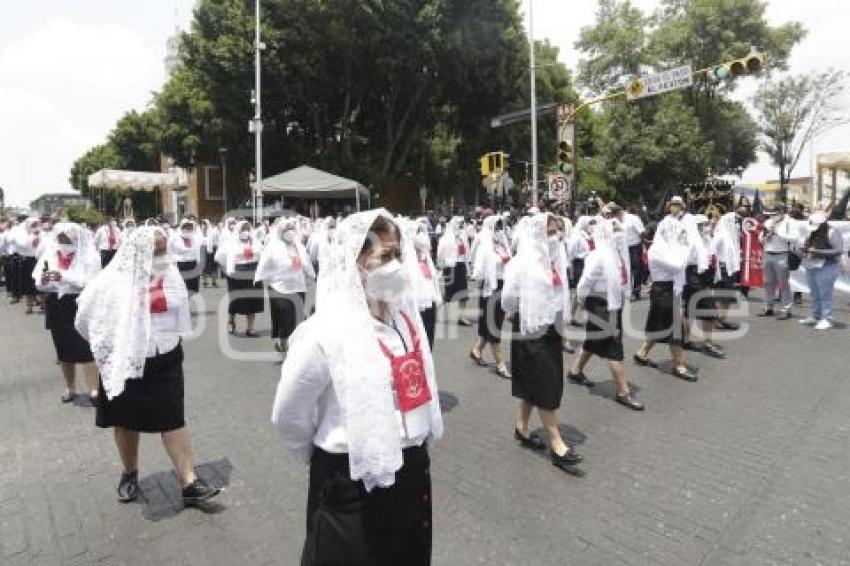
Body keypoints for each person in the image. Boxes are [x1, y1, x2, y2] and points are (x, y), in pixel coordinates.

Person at [271, 209, 443, 565]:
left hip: (410, 472)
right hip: (350, 483)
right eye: (384, 257)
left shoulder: (405, 319)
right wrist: (326, 457)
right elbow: (288, 416)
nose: (395, 266)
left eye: (398, 255)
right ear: (355, 263)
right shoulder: (324, 332)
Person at [75, 227, 221, 505]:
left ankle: (188, 480)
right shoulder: (111, 281)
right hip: (125, 363)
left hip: (165, 360)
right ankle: (129, 474)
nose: (163, 254)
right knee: (126, 422)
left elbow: (180, 312)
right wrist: (107, 347)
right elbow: (84, 320)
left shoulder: (171, 273)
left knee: (173, 419)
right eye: (157, 250)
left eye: (164, 249)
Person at [502, 213, 584, 475]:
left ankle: (521, 427)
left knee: (537, 383)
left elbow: (562, 295)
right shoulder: (520, 263)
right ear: (536, 233)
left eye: (557, 231)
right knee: (546, 383)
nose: (555, 236)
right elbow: (507, 302)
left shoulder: (556, 260)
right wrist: (528, 308)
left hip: (552, 330)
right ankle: (557, 443)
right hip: (530, 330)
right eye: (550, 231)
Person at [568, 218, 644, 410]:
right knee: (613, 347)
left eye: (620, 230)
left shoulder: (616, 254)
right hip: (600, 304)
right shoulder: (598, 255)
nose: (620, 234)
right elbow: (584, 283)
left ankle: (575, 370)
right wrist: (583, 302)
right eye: (615, 230)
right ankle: (623, 392)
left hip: (612, 303)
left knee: (593, 342)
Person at [34, 222, 102, 403]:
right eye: (61, 239)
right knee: (63, 349)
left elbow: (90, 282)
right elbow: (39, 284)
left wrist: (63, 275)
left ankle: (94, 389)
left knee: (87, 347)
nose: (64, 242)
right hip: (57, 303)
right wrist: (44, 279)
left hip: (81, 303)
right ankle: (70, 387)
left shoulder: (89, 256)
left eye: (68, 239)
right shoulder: (50, 254)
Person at [634, 212, 698, 382]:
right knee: (674, 329)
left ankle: (642, 353)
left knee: (659, 326)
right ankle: (679, 365)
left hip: (667, 289)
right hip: (662, 290)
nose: (679, 236)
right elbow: (677, 266)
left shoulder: (666, 248)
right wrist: (684, 246)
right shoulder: (657, 249)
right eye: (676, 233)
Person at [255, 218, 315, 352]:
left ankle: (290, 345)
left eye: (291, 229)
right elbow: (263, 263)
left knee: (297, 316)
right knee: (285, 315)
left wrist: (312, 275)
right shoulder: (272, 247)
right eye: (287, 229)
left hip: (298, 286)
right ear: (281, 232)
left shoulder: (299, 246)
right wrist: (259, 277)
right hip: (279, 288)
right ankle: (284, 340)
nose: (290, 232)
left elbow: (306, 263)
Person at [469, 215, 511, 378]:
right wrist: (481, 284)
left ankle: (477, 350)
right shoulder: (485, 247)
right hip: (490, 289)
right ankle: (500, 364)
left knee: (492, 323)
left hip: (503, 286)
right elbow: (478, 270)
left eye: (501, 227)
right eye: (496, 227)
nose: (499, 230)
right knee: (494, 325)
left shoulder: (502, 244)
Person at [216, 220, 264, 336]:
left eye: (247, 229)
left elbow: (262, 254)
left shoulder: (255, 241)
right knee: (236, 300)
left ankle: (250, 328)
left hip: (253, 271)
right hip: (236, 274)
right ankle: (231, 320)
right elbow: (219, 257)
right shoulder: (230, 243)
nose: (245, 232)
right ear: (238, 230)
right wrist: (229, 266)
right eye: (243, 229)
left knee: (254, 301)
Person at [799, 211, 844, 330]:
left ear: (822, 224)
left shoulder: (832, 232)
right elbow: (808, 245)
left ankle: (827, 318)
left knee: (825, 294)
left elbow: (838, 250)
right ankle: (816, 316)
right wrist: (804, 248)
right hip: (812, 265)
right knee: (814, 293)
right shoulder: (812, 232)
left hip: (827, 266)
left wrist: (816, 252)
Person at [403, 217, 443, 350]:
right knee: (418, 344)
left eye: (422, 231)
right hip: (415, 308)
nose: (422, 236)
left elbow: (432, 278)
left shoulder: (425, 255)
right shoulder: (405, 257)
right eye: (418, 231)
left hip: (429, 303)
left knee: (429, 341)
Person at [758, 204, 796, 319]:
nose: (771, 217)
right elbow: (760, 238)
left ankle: (786, 309)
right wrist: (765, 236)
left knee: (783, 283)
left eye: (774, 214)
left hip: (782, 254)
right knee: (768, 282)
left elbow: (795, 237)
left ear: (781, 212)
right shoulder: (768, 222)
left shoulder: (790, 222)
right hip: (768, 253)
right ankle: (768, 307)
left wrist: (778, 233)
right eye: (769, 215)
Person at [567, 215, 597, 326]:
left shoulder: (587, 235)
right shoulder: (577, 236)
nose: (592, 226)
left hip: (588, 263)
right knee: (581, 291)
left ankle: (572, 315)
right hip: (579, 264)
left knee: (584, 292)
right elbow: (570, 251)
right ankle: (570, 315)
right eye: (590, 223)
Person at [14, 218, 42, 314]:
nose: (35, 227)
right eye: (32, 225)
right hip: (27, 261)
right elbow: (23, 244)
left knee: (40, 282)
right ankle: (29, 306)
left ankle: (42, 303)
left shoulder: (41, 234)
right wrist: (33, 236)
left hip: (39, 260)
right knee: (28, 284)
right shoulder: (21, 234)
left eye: (36, 225)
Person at [169, 219, 202, 294]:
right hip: (180, 264)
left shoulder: (194, 239)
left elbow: (198, 253)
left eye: (190, 228)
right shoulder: (174, 238)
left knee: (193, 287)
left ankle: (190, 303)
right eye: (186, 228)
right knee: (182, 286)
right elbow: (169, 252)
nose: (188, 230)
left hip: (193, 264)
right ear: (181, 228)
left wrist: (199, 266)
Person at [620, 206, 646, 300]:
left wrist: (643, 245)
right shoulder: (616, 220)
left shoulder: (633, 218)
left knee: (636, 269)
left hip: (634, 247)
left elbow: (642, 232)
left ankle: (636, 290)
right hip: (623, 248)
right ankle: (627, 291)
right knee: (626, 270)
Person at [200, 219, 220, 288]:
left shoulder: (213, 231)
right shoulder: (199, 232)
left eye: (205, 224)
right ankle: (205, 282)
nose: (203, 226)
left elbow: (217, 240)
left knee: (214, 266)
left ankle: (214, 282)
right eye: (202, 224)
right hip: (203, 249)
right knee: (204, 266)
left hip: (213, 249)